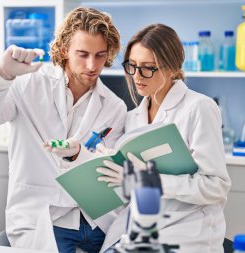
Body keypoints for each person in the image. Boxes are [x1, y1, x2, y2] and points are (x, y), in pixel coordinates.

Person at [0, 7, 127, 253]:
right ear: (64, 50)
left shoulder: (114, 107)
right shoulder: (27, 84)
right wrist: (2, 75)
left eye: (100, 55)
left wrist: (80, 154)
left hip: (97, 219)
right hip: (45, 218)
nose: (92, 65)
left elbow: (109, 173)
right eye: (82, 54)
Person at [95, 24, 232, 252]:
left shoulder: (199, 107)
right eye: (132, 66)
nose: (137, 77)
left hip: (187, 230)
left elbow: (216, 186)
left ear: (171, 67)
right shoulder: (133, 117)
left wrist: (146, 181)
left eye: (148, 68)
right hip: (141, 228)